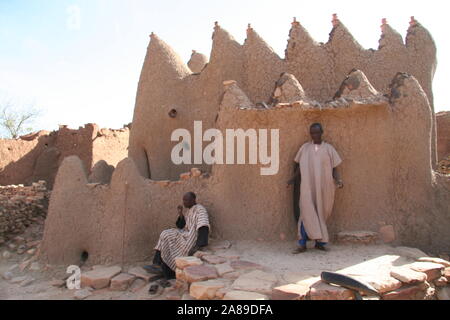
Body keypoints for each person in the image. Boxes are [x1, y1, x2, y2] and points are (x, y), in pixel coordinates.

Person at [287, 123, 343, 253]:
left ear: (321, 132)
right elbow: (299, 167)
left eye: (317, 132)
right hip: (308, 187)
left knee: (320, 214)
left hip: (324, 187)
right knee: (306, 213)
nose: (314, 135)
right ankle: (302, 244)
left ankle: (320, 242)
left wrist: (338, 180)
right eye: (312, 133)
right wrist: (292, 179)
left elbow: (334, 168)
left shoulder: (329, 149)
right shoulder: (305, 148)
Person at [145, 192, 210, 292]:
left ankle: (164, 268)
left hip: (190, 238)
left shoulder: (200, 210)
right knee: (165, 233)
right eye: (183, 200)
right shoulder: (189, 211)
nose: (184, 202)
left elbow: (203, 226)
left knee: (167, 236)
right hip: (184, 234)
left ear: (193, 200)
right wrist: (180, 214)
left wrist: (199, 245)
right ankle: (157, 263)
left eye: (186, 200)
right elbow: (181, 226)